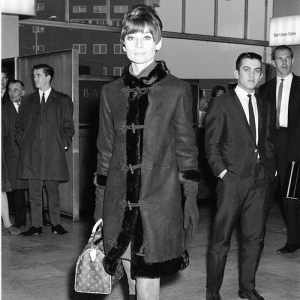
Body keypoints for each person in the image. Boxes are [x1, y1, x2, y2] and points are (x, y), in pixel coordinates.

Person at [94, 5, 200, 300]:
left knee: (148, 279)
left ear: (159, 42)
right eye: (132, 38)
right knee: (128, 275)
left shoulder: (177, 90)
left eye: (146, 37)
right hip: (118, 200)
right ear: (123, 43)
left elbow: (187, 151)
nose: (138, 45)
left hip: (159, 202)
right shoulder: (110, 92)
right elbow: (104, 151)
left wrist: (188, 201)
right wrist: (99, 207)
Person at [205, 52, 275, 300]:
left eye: (257, 70)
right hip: (231, 182)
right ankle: (213, 292)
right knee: (220, 240)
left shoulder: (265, 103)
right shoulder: (222, 103)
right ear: (236, 74)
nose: (252, 75)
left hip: (259, 182)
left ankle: (247, 288)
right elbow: (210, 145)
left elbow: (266, 140)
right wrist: (223, 173)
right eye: (247, 69)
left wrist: (270, 169)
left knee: (254, 238)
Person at [16, 64, 74, 236]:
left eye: (38, 75)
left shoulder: (63, 100)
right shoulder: (27, 101)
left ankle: (56, 224)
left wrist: (63, 144)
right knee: (34, 192)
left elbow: (68, 127)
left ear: (48, 77)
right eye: (34, 76)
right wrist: (24, 144)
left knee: (52, 191)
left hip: (53, 153)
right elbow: (18, 127)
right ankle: (36, 226)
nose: (35, 79)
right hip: (32, 154)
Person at [260, 45, 300, 254]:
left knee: (290, 196)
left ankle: (294, 240)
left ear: (292, 60)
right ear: (273, 62)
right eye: (279, 59)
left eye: (287, 58)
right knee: (264, 195)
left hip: (295, 148)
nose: (283, 62)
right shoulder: (265, 89)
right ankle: (256, 239)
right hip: (270, 147)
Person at [2, 80, 28, 229]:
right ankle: (20, 221)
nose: (12, 93)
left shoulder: (30, 108)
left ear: (22, 92)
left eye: (16, 90)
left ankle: (42, 219)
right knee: (17, 188)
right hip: (12, 154)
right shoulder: (3, 109)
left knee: (32, 187)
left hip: (30, 154)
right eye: (10, 90)